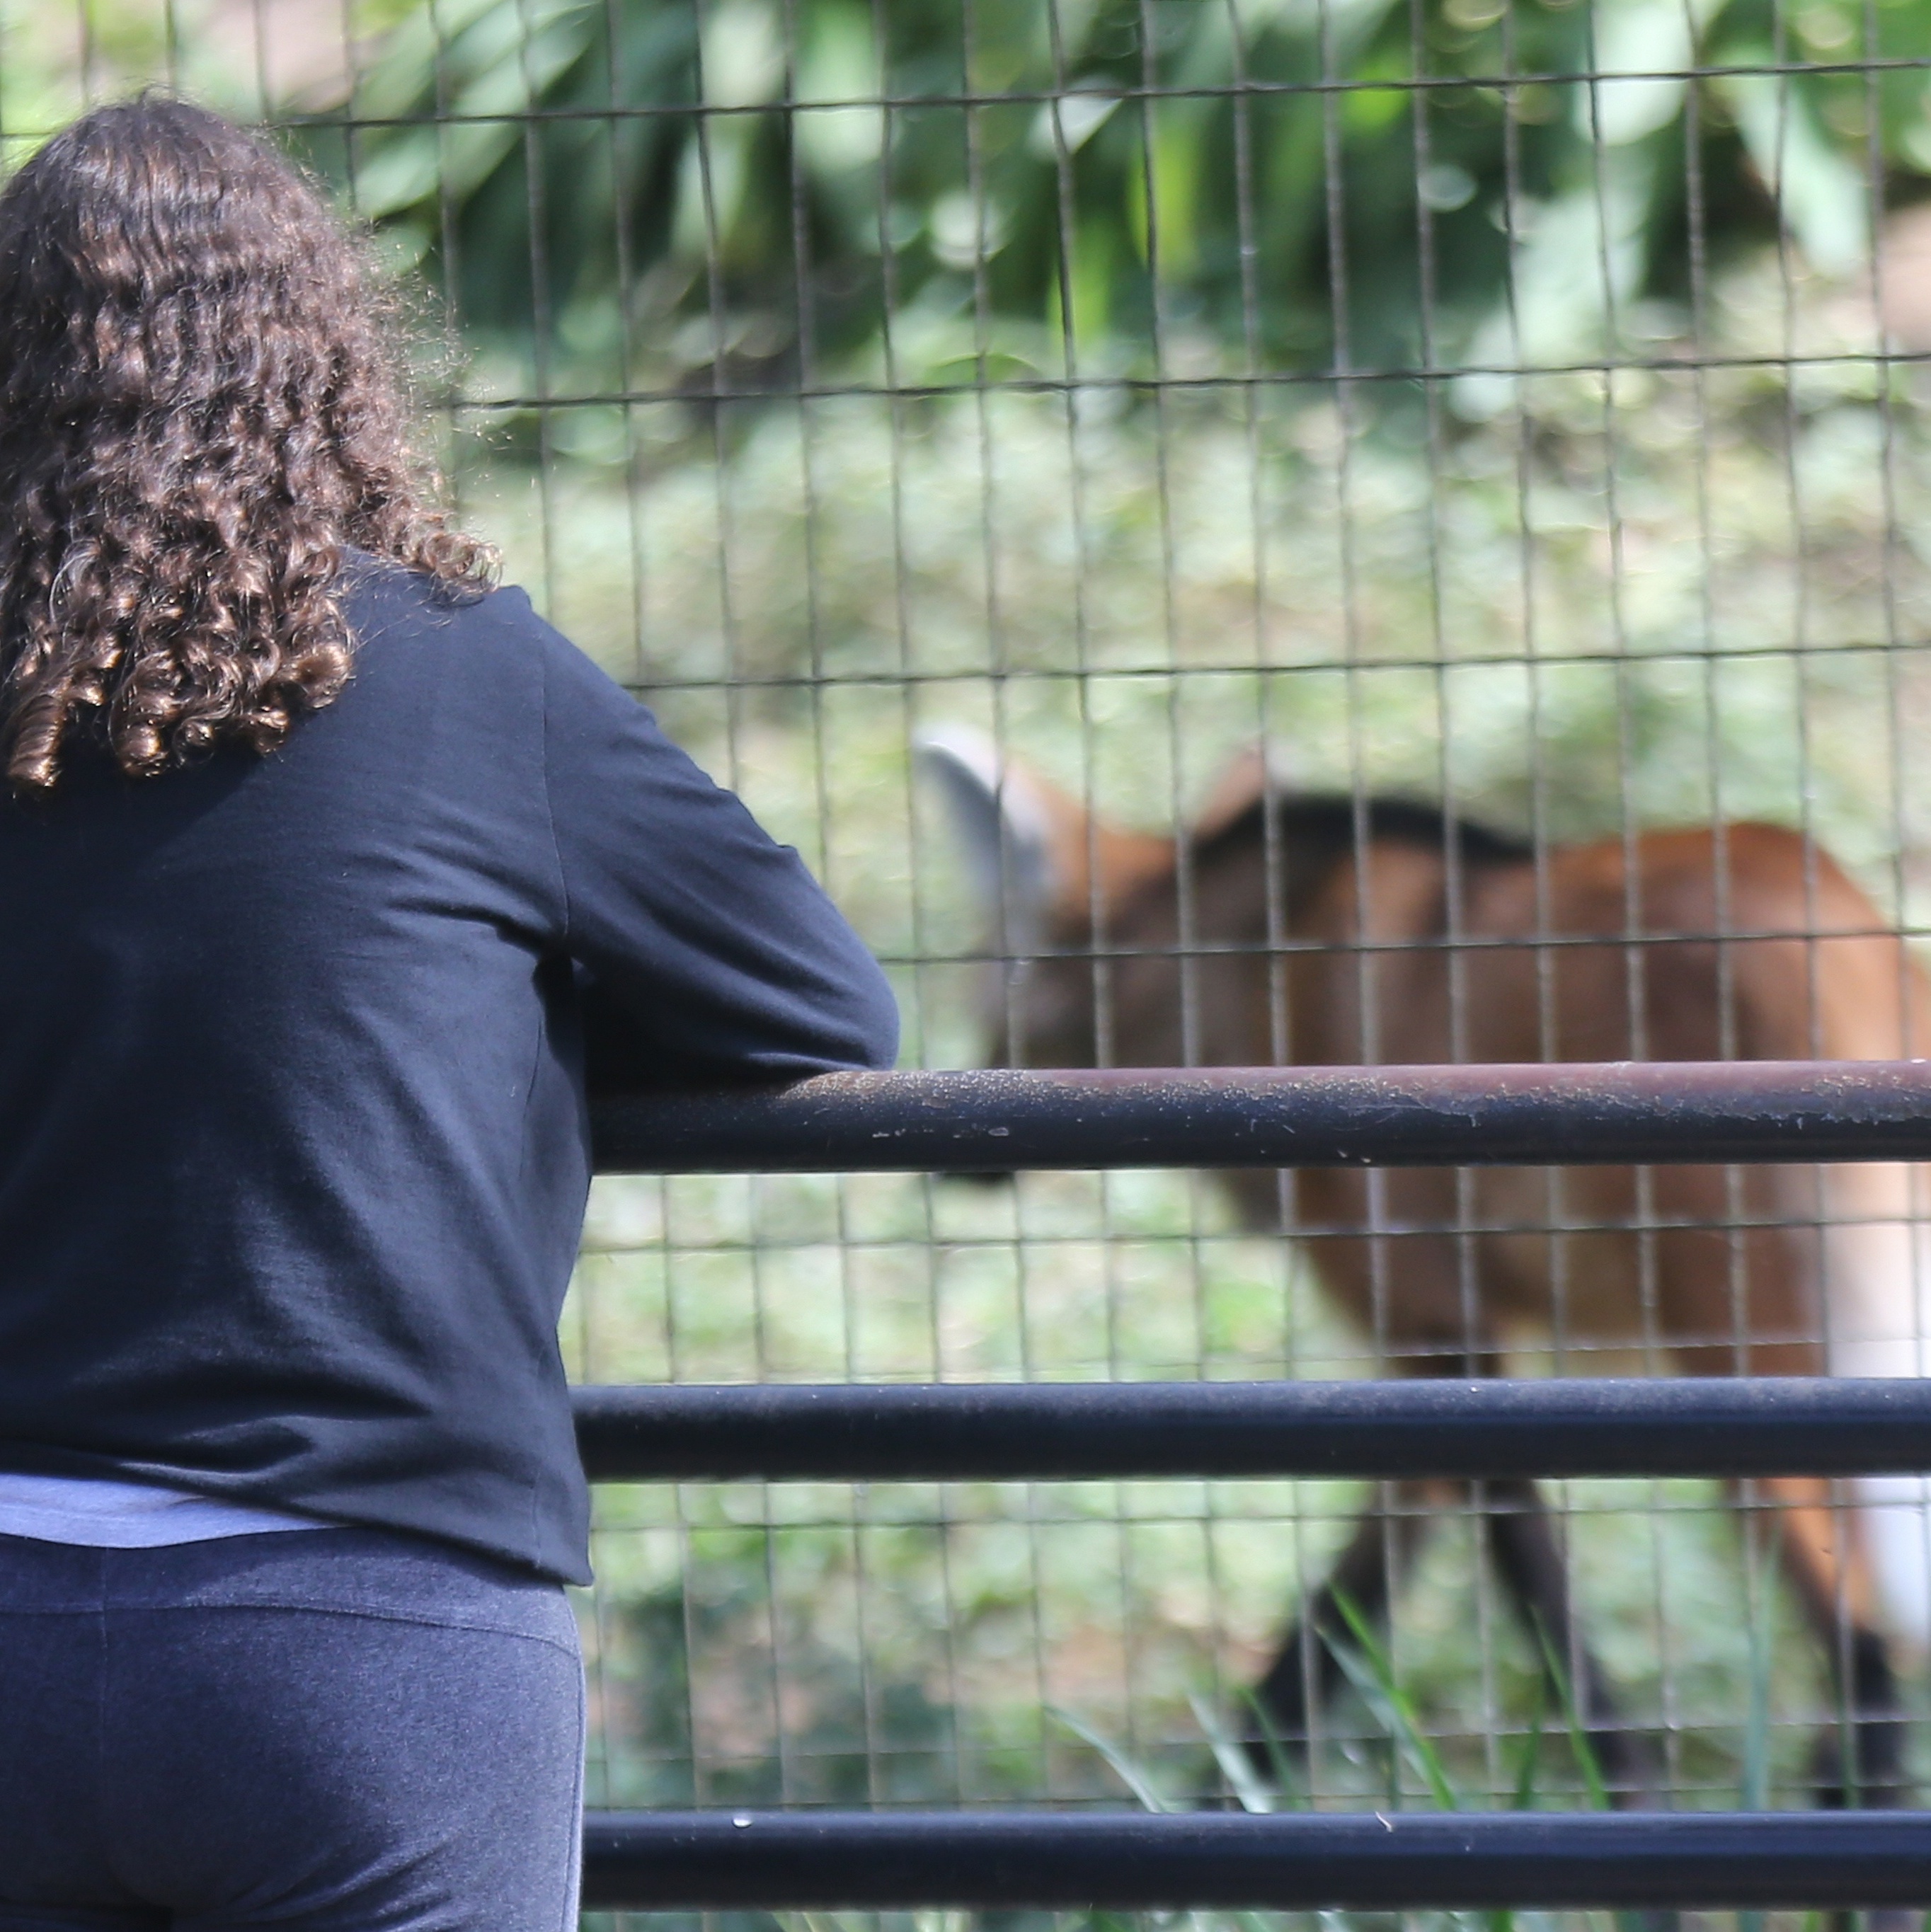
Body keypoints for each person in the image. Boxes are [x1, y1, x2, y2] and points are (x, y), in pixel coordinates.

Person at [0, 95, 898, 1930]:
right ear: (335, 359)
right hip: (365, 1637)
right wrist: (487, 1036)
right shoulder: (465, 674)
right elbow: (823, 994)